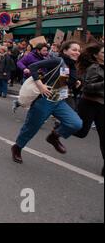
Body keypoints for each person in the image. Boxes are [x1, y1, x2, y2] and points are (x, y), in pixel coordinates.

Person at [11, 41, 83, 164]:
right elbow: (33, 67)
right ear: (65, 51)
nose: (77, 52)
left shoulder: (72, 66)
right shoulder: (57, 61)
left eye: (79, 50)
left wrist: (75, 83)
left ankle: (54, 137)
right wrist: (40, 86)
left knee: (75, 123)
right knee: (31, 128)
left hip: (59, 100)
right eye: (74, 49)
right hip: (44, 100)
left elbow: (64, 82)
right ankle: (17, 147)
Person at [74, 44, 104, 176]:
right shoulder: (93, 68)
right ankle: (61, 127)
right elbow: (86, 88)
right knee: (81, 133)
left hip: (103, 106)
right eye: (103, 53)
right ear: (96, 55)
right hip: (89, 103)